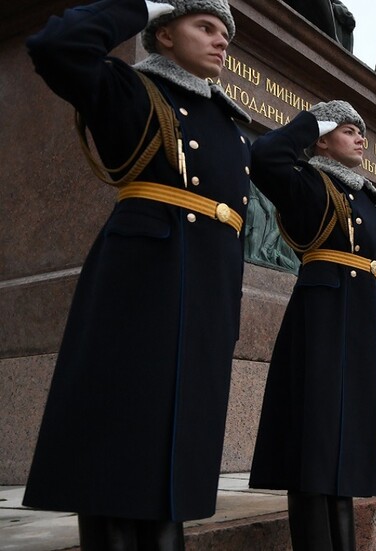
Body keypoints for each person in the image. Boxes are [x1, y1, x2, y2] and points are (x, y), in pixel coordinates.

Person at [22, 0, 251, 548]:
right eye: (205, 26)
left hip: (207, 299)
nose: (221, 40)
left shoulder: (229, 124)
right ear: (164, 34)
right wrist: (142, 5)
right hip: (142, 289)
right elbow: (56, 46)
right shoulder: (132, 90)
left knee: (175, 471)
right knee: (116, 455)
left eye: (225, 31)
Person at [248, 100, 376, 550]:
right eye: (348, 130)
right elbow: (265, 156)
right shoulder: (308, 182)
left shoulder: (366, 197)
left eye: (361, 132)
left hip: (359, 321)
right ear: (322, 140)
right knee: (314, 445)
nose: (360, 138)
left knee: (342, 447)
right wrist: (313, 122)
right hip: (321, 319)